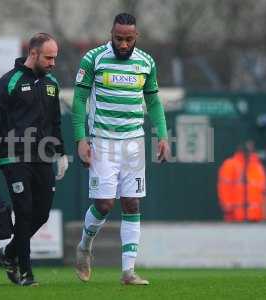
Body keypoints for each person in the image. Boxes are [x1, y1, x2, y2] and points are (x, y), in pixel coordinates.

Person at [72, 13, 169, 285]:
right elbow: (79, 100)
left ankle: (128, 271)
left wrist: (162, 134)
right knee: (104, 204)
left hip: (134, 142)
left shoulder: (146, 62)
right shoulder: (94, 59)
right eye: (118, 38)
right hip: (102, 140)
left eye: (128, 39)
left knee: (131, 201)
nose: (123, 44)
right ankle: (85, 245)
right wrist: (81, 138)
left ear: (136, 37)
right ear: (111, 34)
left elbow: (153, 102)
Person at [0, 33, 68, 286]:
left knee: (41, 214)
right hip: (13, 157)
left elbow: (55, 122)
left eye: (55, 58)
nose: (53, 62)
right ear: (33, 54)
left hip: (43, 156)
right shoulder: (8, 82)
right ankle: (26, 273)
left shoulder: (52, 84)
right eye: (48, 57)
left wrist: (61, 153)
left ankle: (9, 253)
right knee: (24, 212)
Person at [217, 140, 266, 222]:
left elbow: (264, 190)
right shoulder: (230, 165)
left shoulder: (258, 167)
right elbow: (224, 188)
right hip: (236, 217)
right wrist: (228, 209)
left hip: (256, 217)